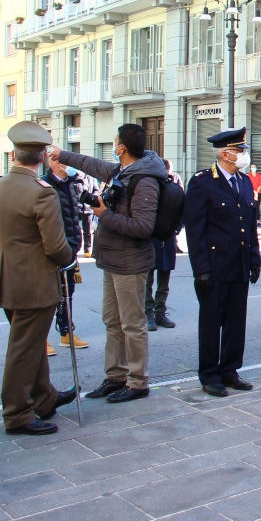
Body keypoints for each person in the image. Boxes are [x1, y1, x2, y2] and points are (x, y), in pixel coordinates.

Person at [55, 124, 167, 404]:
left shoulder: (144, 180)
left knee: (132, 324)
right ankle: (115, 376)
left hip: (131, 262)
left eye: (115, 142)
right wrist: (61, 154)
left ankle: (138, 381)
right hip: (112, 259)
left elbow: (143, 227)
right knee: (113, 322)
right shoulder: (122, 171)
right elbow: (91, 165)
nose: (113, 147)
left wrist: (104, 214)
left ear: (122, 148)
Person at [0, 122, 77, 435]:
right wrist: (70, 259)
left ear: (14, 154)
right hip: (35, 282)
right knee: (24, 350)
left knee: (31, 344)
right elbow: (55, 246)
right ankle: (17, 414)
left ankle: (44, 397)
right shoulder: (41, 192)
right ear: (42, 157)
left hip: (7, 279)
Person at [184, 127, 261, 397]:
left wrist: (254, 258)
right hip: (214, 266)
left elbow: (249, 225)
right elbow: (195, 230)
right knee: (211, 322)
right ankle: (209, 374)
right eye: (240, 150)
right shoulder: (203, 182)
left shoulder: (244, 181)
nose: (244, 155)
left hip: (239, 263)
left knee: (236, 321)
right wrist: (201, 269)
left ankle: (230, 369)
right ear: (226, 154)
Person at [43, 155, 88, 353]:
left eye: (64, 161)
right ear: (49, 163)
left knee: (67, 293)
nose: (63, 165)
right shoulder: (44, 185)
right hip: (53, 249)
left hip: (71, 247)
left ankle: (66, 331)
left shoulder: (72, 184)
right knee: (48, 296)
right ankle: (41, 338)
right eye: (57, 160)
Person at [143, 159, 181, 332]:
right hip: (150, 239)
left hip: (167, 239)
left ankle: (160, 312)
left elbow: (181, 213)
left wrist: (174, 231)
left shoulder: (175, 189)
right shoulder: (149, 188)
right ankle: (148, 313)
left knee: (164, 281)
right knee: (148, 280)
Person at [79, 172, 101, 258]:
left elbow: (96, 190)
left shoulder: (91, 178)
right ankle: (75, 247)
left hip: (88, 208)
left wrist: (91, 198)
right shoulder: (74, 178)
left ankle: (87, 249)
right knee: (75, 229)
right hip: (77, 207)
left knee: (87, 230)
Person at [247, 163, 261, 228]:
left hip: (258, 193)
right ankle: (250, 221)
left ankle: (258, 221)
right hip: (250, 193)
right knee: (250, 207)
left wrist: (256, 192)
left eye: (254, 167)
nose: (253, 168)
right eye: (252, 167)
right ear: (250, 168)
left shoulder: (259, 176)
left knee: (257, 207)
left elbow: (260, 185)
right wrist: (253, 192)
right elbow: (248, 185)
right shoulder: (248, 176)